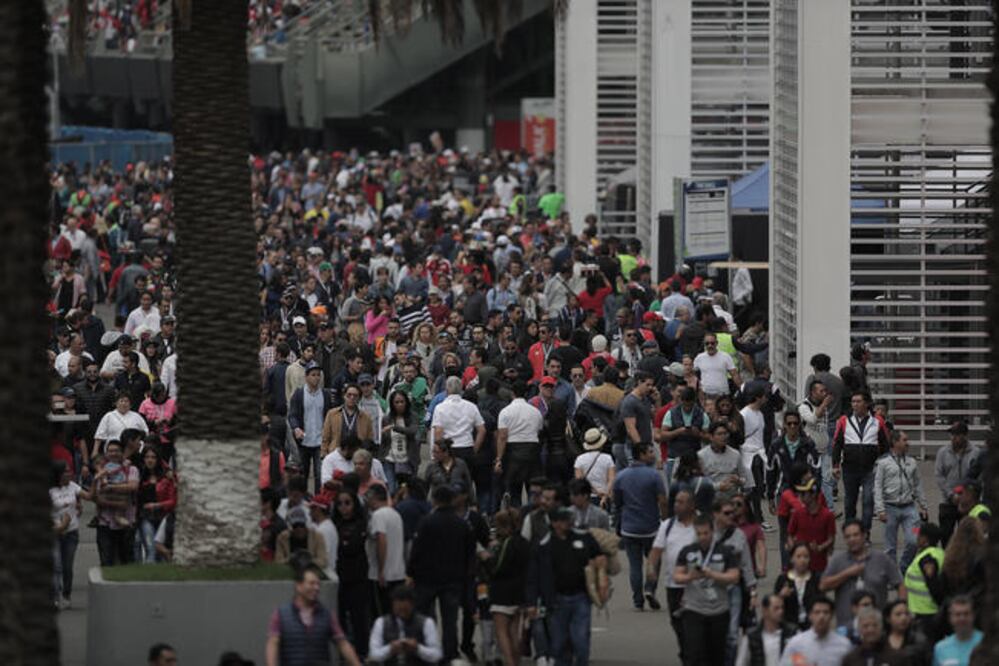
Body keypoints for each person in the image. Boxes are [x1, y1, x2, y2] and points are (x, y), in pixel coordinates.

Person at [526, 506, 608, 666]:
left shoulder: (583, 538)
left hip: (580, 597)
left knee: (581, 640)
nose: (568, 523)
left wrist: (601, 576)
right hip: (556, 600)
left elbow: (598, 555)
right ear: (555, 523)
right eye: (563, 520)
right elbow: (533, 576)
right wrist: (531, 602)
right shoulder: (544, 545)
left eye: (569, 520)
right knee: (559, 644)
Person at [407, 484, 475, 664]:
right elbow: (470, 553)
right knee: (450, 621)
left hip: (427, 578)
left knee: (422, 617)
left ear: (435, 500)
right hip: (453, 580)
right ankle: (449, 654)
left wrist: (411, 573)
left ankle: (422, 652)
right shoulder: (462, 524)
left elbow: (417, 550)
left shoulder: (426, 522)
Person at [672, 513, 741, 665]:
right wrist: (691, 576)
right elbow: (677, 576)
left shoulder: (724, 551)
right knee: (695, 652)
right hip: (694, 610)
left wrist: (713, 575)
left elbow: (734, 576)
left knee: (716, 655)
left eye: (706, 533)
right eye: (699, 534)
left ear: (712, 532)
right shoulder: (688, 551)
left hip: (719, 611)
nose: (702, 537)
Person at [265, 564, 362, 666]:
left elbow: (342, 643)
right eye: (311, 583)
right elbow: (272, 643)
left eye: (318, 584)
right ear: (299, 586)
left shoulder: (327, 615)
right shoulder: (281, 615)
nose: (316, 588)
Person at [613, 441, 668, 611]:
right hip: (650, 527)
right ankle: (649, 588)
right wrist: (665, 520)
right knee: (654, 561)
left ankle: (638, 600)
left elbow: (617, 502)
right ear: (642, 454)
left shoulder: (621, 476)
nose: (654, 454)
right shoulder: (653, 476)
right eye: (651, 452)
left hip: (629, 527)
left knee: (634, 565)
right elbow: (663, 501)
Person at [820, 519, 904, 628]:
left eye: (856, 535)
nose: (852, 539)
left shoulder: (881, 559)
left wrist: (901, 609)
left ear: (864, 535)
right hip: (846, 627)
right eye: (848, 537)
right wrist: (846, 574)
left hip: (877, 627)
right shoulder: (838, 561)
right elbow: (823, 586)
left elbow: (900, 584)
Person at [647, 488, 697, 663]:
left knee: (694, 628)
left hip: (696, 586)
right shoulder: (667, 526)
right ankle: (686, 654)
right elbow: (656, 550)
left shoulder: (701, 525)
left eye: (681, 502)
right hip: (674, 586)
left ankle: (693, 657)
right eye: (676, 501)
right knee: (679, 627)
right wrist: (651, 569)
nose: (676, 505)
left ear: (691, 506)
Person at [832, 391, 890, 533]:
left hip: (870, 469)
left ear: (866, 404)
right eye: (853, 402)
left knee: (868, 501)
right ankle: (850, 531)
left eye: (858, 401)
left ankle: (865, 533)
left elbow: (885, 444)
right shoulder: (844, 421)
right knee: (850, 502)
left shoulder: (877, 421)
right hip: (850, 468)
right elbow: (837, 444)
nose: (855, 405)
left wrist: (884, 465)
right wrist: (835, 465)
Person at [874, 429, 929, 572]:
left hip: (909, 508)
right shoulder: (883, 463)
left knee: (914, 541)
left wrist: (923, 506)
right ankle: (893, 577)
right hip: (889, 508)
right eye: (904, 440)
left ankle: (903, 568)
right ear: (894, 442)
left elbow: (918, 485)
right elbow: (877, 487)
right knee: (890, 547)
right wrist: (880, 510)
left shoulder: (912, 462)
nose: (907, 443)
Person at [486, 508, 531, 666]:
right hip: (520, 592)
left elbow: (497, 567)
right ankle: (516, 661)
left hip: (502, 592)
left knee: (501, 631)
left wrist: (486, 558)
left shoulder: (506, 544)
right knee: (514, 631)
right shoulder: (525, 543)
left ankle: (510, 662)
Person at [51, 460, 93, 608]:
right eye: (66, 471)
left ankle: (66, 594)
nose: (69, 473)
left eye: (69, 471)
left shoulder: (73, 486)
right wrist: (60, 525)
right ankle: (55, 596)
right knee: (56, 566)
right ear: (58, 474)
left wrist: (96, 478)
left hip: (71, 533)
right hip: (55, 533)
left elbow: (89, 496)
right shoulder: (51, 491)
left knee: (67, 566)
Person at [333, 490, 371, 657]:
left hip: (358, 578)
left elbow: (352, 546)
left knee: (359, 619)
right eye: (340, 504)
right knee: (340, 619)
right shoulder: (334, 524)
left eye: (347, 503)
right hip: (340, 578)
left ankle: (361, 653)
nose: (343, 508)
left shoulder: (361, 524)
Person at [494, 381, 544, 506]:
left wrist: (499, 458)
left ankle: (517, 519)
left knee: (514, 490)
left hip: (513, 452)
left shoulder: (505, 412)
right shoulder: (536, 412)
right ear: (526, 393)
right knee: (533, 488)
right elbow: (539, 431)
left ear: (512, 393)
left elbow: (502, 437)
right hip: (532, 451)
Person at [934, 420, 983, 546]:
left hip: (968, 503)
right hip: (948, 502)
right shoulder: (943, 452)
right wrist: (951, 494)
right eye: (952, 434)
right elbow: (939, 476)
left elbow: (979, 477)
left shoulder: (976, 453)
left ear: (965, 436)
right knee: (946, 537)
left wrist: (967, 495)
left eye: (957, 434)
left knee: (968, 538)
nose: (953, 438)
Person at [287, 362, 334, 493]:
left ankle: (319, 499)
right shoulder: (299, 394)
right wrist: (296, 428)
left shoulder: (325, 395)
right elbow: (293, 415)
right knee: (303, 473)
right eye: (313, 375)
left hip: (320, 441)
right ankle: (303, 498)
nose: (316, 378)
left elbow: (330, 415)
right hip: (304, 441)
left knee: (320, 473)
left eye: (318, 375)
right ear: (306, 377)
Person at [368, 583, 443, 664]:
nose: (402, 613)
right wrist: (390, 649)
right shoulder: (381, 622)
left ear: (412, 605)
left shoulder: (427, 623)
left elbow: (437, 655)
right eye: (399, 609)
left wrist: (417, 648)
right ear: (393, 605)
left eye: (405, 610)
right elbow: (373, 655)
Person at [365, 484, 406, 616]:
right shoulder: (395, 514)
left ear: (374, 498)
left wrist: (381, 570)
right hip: (398, 573)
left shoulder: (378, 516)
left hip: (382, 576)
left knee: (381, 614)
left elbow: (381, 540)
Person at [779, 597, 853, 666]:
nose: (821, 617)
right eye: (817, 612)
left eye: (826, 612)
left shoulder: (844, 645)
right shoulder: (796, 643)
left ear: (831, 615)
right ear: (810, 615)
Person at [786, 477, 836, 574]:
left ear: (813, 494)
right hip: (799, 566)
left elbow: (831, 538)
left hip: (819, 565)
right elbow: (790, 534)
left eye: (804, 494)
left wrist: (820, 547)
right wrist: (791, 545)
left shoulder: (827, 515)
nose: (800, 496)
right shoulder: (797, 513)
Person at [799, 379, 835, 507]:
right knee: (811, 480)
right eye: (821, 391)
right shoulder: (804, 407)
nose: (824, 393)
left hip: (824, 449)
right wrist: (825, 404)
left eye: (825, 391)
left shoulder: (822, 406)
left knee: (827, 479)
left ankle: (829, 508)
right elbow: (813, 420)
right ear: (812, 392)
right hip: (810, 452)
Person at [735, 594, 797, 666]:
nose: (781, 611)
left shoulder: (792, 633)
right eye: (776, 608)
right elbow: (741, 662)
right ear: (765, 610)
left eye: (782, 608)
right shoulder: (751, 637)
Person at [774, 542, 823, 630]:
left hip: (811, 627)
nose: (802, 560)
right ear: (792, 559)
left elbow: (822, 603)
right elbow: (773, 605)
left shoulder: (815, 579)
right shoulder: (783, 579)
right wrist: (781, 595)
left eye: (806, 557)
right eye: (798, 556)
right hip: (788, 626)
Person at [842, 606, 907, 666]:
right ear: (859, 629)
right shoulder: (850, 660)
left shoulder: (898, 658)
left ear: (881, 628)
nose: (870, 630)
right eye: (865, 626)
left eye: (875, 625)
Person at [932, 596, 981, 666]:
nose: (962, 618)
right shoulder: (941, 648)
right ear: (950, 618)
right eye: (958, 614)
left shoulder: (985, 642)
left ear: (973, 616)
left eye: (966, 614)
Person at [572, 428, 616, 508]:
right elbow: (612, 478)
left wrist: (596, 492)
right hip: (605, 497)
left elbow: (580, 481)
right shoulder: (607, 458)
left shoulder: (579, 459)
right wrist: (605, 494)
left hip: (587, 497)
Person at [882, 600, 931, 665]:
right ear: (888, 618)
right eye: (898, 614)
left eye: (907, 614)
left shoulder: (919, 641)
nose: (903, 618)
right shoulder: (880, 640)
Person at [694, 332, 738, 398]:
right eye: (707, 343)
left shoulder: (725, 356)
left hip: (723, 395)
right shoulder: (699, 358)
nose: (710, 345)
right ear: (704, 344)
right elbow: (695, 375)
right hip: (706, 395)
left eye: (712, 343)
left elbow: (734, 375)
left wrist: (742, 388)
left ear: (717, 343)